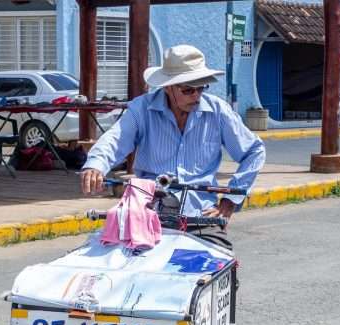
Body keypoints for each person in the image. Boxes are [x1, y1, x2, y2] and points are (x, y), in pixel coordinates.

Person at [80, 44, 266, 249]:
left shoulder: (218, 111)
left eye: (201, 88)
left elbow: (254, 151)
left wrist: (231, 198)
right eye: (188, 90)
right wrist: (95, 165)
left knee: (214, 268)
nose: (196, 96)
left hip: (200, 216)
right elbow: (115, 139)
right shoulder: (142, 109)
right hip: (147, 213)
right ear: (168, 87)